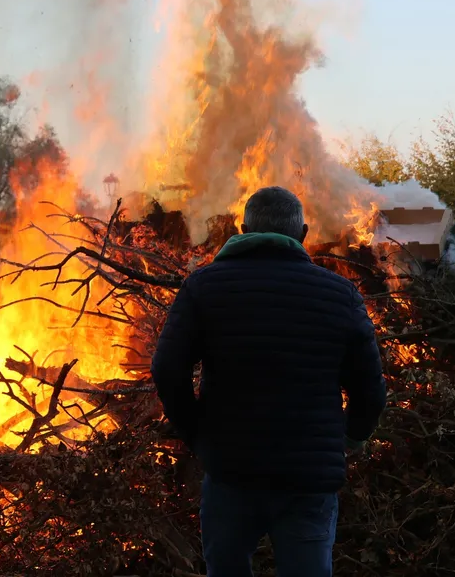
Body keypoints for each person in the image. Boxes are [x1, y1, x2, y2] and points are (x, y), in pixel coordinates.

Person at [151, 186, 387, 577]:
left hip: (231, 471)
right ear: (304, 233)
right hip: (307, 481)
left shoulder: (204, 286)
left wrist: (195, 434)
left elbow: (166, 369)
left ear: (242, 229)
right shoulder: (340, 294)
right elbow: (370, 387)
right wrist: (353, 437)